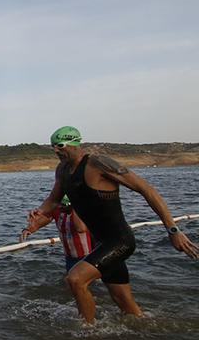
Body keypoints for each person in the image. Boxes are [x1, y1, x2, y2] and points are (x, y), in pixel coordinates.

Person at [34, 125, 198, 323]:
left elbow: (147, 190)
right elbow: (53, 200)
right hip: (100, 243)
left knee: (75, 279)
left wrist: (173, 230)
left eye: (60, 145)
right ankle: (153, 328)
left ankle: (87, 334)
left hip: (120, 241)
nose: (56, 150)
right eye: (52, 146)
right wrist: (39, 212)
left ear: (75, 143)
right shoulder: (62, 170)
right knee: (125, 304)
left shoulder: (98, 164)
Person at [20, 194, 93, 272]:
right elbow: (45, 219)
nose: (61, 208)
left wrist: (74, 206)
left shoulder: (81, 210)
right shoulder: (58, 210)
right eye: (60, 205)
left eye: (64, 206)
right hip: (70, 257)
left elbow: (81, 228)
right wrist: (28, 229)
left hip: (87, 257)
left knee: (77, 281)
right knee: (70, 281)